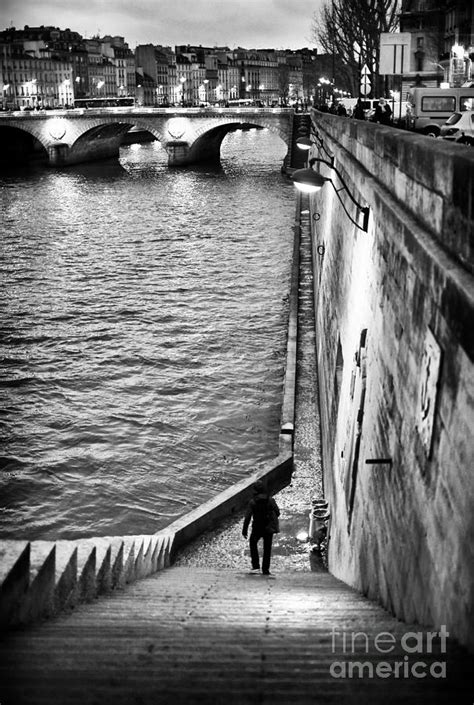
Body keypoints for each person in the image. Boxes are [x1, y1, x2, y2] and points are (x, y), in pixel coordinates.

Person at [242, 479, 280, 576]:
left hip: (257, 527)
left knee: (253, 543)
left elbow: (247, 517)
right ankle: (265, 570)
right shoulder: (270, 500)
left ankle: (256, 566)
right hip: (268, 527)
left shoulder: (252, 502)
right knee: (267, 549)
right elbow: (278, 512)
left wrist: (244, 530)